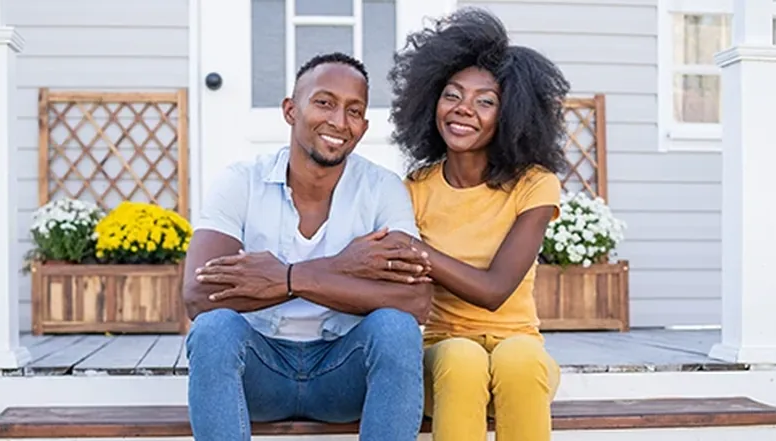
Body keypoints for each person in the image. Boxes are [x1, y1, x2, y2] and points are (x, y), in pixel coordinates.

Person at [180, 52, 435, 441]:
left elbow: (415, 301)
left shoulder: (382, 189)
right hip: (261, 371)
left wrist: (287, 278)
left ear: (364, 127)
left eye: (354, 110)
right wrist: (343, 268)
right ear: (290, 110)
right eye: (324, 102)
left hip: (344, 371)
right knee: (214, 330)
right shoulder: (240, 182)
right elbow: (200, 296)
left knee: (396, 329)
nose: (338, 121)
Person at [381, 7, 572, 441]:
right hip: (442, 354)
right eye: (452, 95)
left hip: (519, 348)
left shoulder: (534, 185)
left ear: (512, 115)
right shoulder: (415, 188)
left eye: (485, 101)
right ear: (431, 100)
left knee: (519, 358)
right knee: (463, 358)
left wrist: (419, 252)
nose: (463, 109)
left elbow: (494, 289)